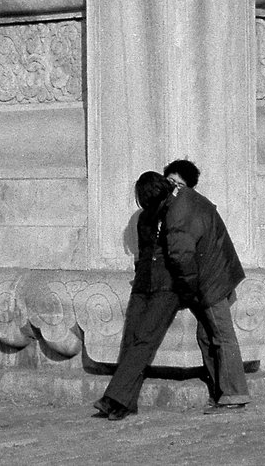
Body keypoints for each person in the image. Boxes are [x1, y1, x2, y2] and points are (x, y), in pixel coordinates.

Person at [161, 158, 251, 414]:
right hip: (219, 275)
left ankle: (233, 394)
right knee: (206, 335)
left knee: (222, 336)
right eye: (170, 181)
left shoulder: (182, 208)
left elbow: (181, 254)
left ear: (188, 187)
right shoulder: (194, 203)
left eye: (179, 183)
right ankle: (222, 392)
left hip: (211, 282)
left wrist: (183, 289)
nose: (174, 187)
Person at [93, 171, 184, 421]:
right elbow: (143, 252)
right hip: (143, 283)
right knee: (131, 339)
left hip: (168, 286)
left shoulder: (176, 214)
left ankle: (113, 397)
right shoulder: (144, 218)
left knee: (144, 340)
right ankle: (125, 402)